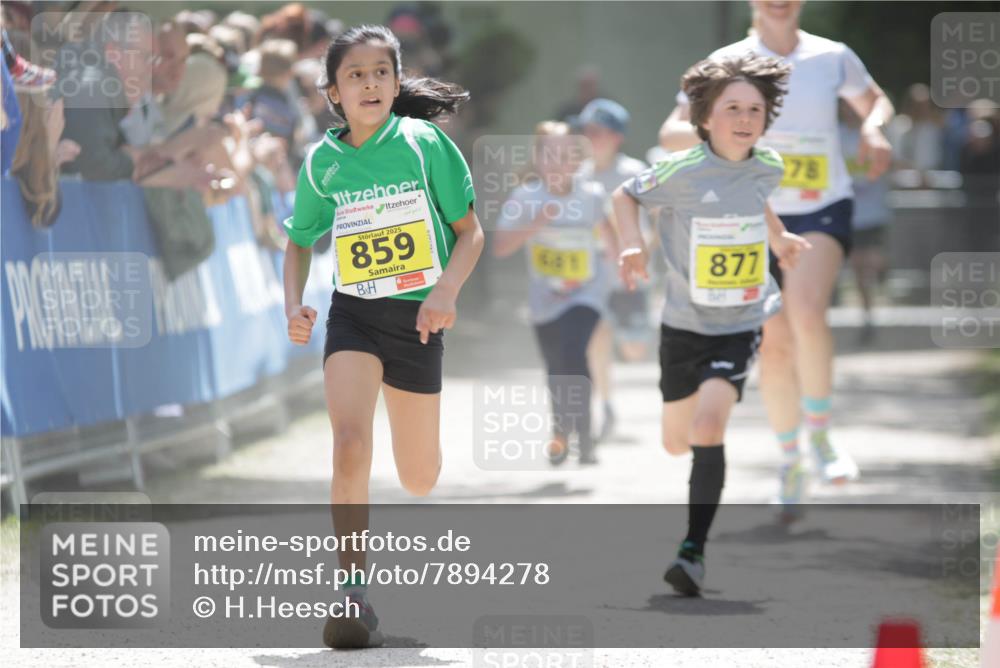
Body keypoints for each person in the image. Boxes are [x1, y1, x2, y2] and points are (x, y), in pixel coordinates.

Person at [281, 24, 483, 648]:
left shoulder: (425, 143)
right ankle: (351, 590)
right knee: (348, 444)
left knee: (418, 475)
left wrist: (445, 291)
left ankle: (422, 445)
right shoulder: (322, 161)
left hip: (418, 321)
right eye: (355, 75)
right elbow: (299, 241)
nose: (370, 83)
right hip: (355, 314)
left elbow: (470, 232)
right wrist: (294, 305)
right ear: (334, 93)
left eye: (380, 72)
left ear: (396, 83)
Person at [657, 0, 894, 517]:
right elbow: (671, 130)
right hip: (749, 215)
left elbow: (876, 101)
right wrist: (724, 127)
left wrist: (873, 127)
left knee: (806, 309)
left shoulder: (831, 57)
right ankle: (791, 460)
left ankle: (822, 435)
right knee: (776, 342)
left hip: (821, 206)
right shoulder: (729, 60)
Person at [615, 54, 808, 595]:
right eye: (732, 109)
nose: (745, 118)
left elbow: (756, 201)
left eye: (755, 109)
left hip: (741, 320)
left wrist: (779, 239)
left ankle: (692, 551)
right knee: (678, 441)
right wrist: (631, 243)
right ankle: (692, 525)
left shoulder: (768, 165)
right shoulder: (681, 171)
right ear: (704, 118)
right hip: (683, 324)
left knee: (709, 426)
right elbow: (623, 195)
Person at [493, 121, 615, 466]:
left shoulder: (590, 195)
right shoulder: (526, 197)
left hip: (587, 292)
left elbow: (608, 235)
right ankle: (561, 431)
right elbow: (500, 246)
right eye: (549, 154)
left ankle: (586, 437)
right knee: (556, 365)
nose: (556, 162)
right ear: (537, 157)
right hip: (545, 297)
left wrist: (625, 268)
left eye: (564, 155)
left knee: (573, 351)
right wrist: (535, 223)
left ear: (576, 161)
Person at [577, 98, 651, 442]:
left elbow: (653, 224)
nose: (592, 138)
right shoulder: (578, 176)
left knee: (635, 350)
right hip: (590, 275)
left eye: (600, 132)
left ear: (617, 136)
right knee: (597, 338)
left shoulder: (635, 173)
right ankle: (604, 406)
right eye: (587, 131)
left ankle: (631, 338)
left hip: (628, 276)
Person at [840, 100, 889, 342]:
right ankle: (867, 316)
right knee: (860, 268)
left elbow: (892, 160)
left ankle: (881, 273)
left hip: (875, 213)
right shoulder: (835, 135)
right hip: (851, 215)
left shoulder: (875, 134)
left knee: (872, 261)